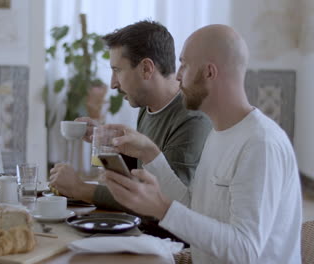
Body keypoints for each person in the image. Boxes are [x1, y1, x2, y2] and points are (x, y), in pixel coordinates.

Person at [104, 24, 302, 263]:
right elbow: (194, 208)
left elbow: (245, 250)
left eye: (184, 65)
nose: (177, 75)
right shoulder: (219, 132)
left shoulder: (260, 144)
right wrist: (150, 154)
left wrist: (162, 208)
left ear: (209, 72)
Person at [49, 21, 211, 239]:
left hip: (168, 243)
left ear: (146, 68)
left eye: (117, 70)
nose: (113, 84)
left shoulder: (192, 119)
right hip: (141, 230)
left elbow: (162, 201)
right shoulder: (148, 106)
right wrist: (109, 141)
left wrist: (79, 188)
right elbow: (142, 171)